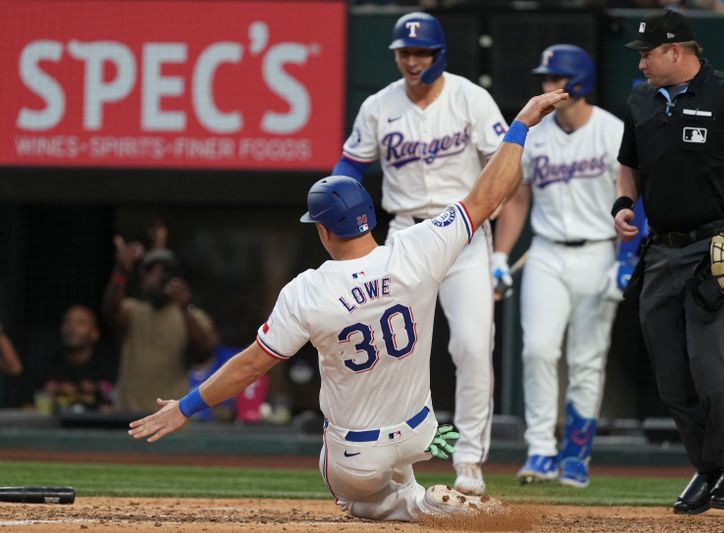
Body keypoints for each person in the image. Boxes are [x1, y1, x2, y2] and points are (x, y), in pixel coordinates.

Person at [129, 89, 569, 521]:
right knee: (395, 463)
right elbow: (488, 196)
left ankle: (417, 504)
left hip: (356, 456)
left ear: (323, 231)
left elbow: (250, 367)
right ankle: (418, 491)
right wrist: (521, 124)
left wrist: (184, 407)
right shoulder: (418, 248)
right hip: (423, 432)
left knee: (354, 498)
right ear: (369, 217)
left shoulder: (306, 291)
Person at [331, 11, 509, 495]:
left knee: (472, 347)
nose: (412, 61)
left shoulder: (471, 98)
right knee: (393, 353)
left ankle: (468, 460)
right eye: (404, 53)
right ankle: (395, 463)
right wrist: (332, 192)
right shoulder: (377, 105)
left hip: (462, 232)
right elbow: (352, 161)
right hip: (406, 235)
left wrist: (499, 246)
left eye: (421, 52)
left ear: (438, 55)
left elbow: (506, 163)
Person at [615, 10, 724, 514]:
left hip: (713, 248)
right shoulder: (641, 100)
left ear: (676, 51)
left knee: (708, 360)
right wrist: (624, 206)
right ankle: (707, 468)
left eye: (648, 52)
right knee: (670, 373)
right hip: (659, 250)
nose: (642, 61)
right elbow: (628, 165)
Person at [492, 45, 626, 489]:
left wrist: (626, 259)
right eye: (545, 80)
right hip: (547, 251)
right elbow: (517, 197)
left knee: (587, 358)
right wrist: (500, 256)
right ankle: (540, 450)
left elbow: (637, 200)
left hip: (598, 250)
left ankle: (577, 452)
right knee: (538, 351)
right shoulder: (537, 133)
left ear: (578, 83)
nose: (547, 88)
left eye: (555, 80)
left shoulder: (611, 131)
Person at [104, 243, 217, 413]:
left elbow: (204, 351)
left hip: (170, 419)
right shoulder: (134, 311)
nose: (156, 278)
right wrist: (121, 271)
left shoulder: (192, 316)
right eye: (151, 272)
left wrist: (184, 308)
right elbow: (110, 311)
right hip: (128, 416)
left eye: (164, 272)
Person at [26, 305, 115, 413]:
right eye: (67, 321)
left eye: (81, 323)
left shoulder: (107, 368)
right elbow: (28, 407)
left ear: (94, 333)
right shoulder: (45, 367)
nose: (72, 327)